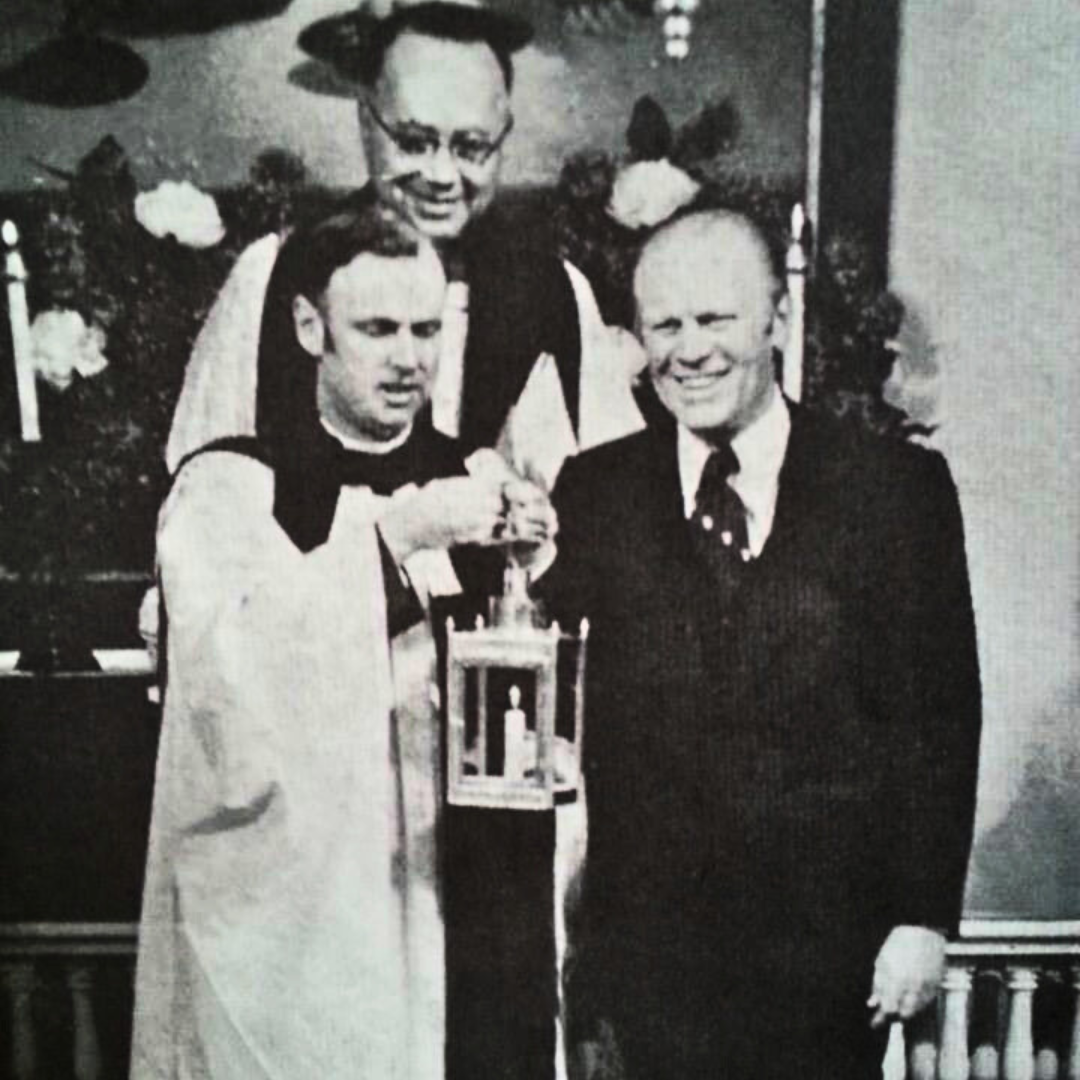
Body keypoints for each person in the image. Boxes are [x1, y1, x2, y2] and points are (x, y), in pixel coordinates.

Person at [541, 208, 982, 1079]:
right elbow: (542, 683)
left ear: (777, 321)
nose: (689, 350)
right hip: (649, 962)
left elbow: (939, 716)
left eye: (716, 320)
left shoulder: (895, 490)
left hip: (832, 961)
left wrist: (923, 917)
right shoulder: (596, 493)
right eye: (665, 325)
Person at [131, 206, 555, 1079]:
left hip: (457, 906)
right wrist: (389, 543)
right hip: (298, 924)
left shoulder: (475, 476)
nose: (409, 359)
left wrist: (534, 560)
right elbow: (224, 693)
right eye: (377, 329)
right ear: (307, 326)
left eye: (427, 330)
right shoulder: (229, 488)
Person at [165, 0, 643, 486]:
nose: (441, 175)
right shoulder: (272, 276)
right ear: (366, 121)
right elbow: (197, 500)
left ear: (504, 136)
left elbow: (620, 510)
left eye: (472, 147)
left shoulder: (556, 295)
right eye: (413, 142)